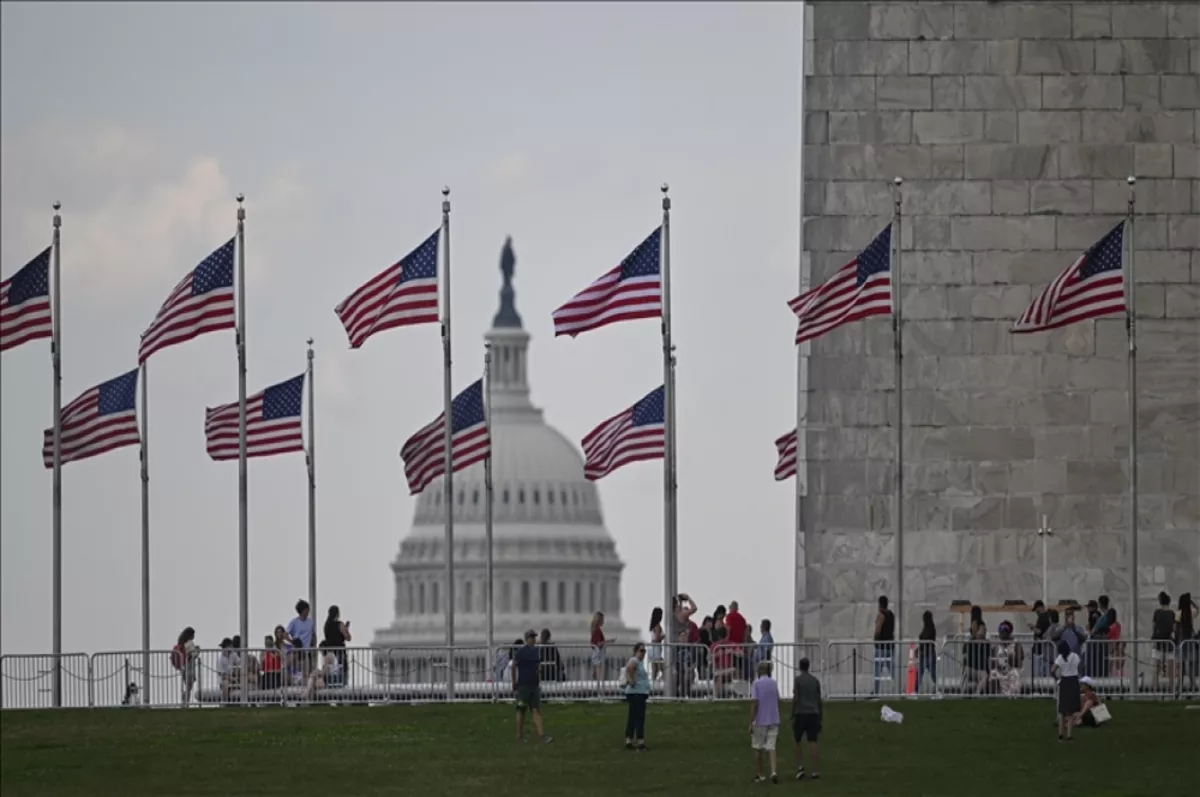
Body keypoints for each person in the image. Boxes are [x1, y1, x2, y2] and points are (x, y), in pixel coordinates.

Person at [512, 630, 552, 744]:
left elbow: (537, 666)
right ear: (526, 639)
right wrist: (514, 682)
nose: (533, 639)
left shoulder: (536, 651)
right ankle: (519, 735)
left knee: (535, 710)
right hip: (523, 685)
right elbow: (514, 666)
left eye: (534, 637)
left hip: (534, 685)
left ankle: (541, 735)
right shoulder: (521, 652)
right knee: (521, 710)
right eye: (531, 637)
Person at [748, 660, 781, 784]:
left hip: (761, 720)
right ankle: (773, 772)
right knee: (771, 747)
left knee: (758, 747)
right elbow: (778, 699)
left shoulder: (756, 684)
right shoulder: (773, 683)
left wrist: (751, 721)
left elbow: (755, 703)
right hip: (773, 718)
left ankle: (761, 774)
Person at [791, 657, 822, 781]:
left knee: (797, 741)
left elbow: (796, 697)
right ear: (809, 666)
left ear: (799, 666)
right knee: (813, 741)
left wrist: (792, 713)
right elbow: (819, 700)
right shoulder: (815, 680)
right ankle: (815, 771)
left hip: (801, 713)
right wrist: (820, 716)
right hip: (813, 713)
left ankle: (800, 768)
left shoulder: (798, 680)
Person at [622, 642, 651, 751]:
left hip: (639, 693)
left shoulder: (638, 662)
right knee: (639, 718)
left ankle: (629, 739)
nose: (643, 653)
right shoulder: (634, 660)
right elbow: (629, 669)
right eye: (641, 651)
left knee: (633, 717)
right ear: (636, 651)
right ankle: (640, 741)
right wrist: (631, 680)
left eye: (644, 651)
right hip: (636, 693)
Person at [1052, 639, 1081, 741]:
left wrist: (1057, 679)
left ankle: (1060, 733)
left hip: (1064, 681)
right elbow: (1079, 666)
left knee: (1062, 709)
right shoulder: (1075, 656)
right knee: (1071, 711)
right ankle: (1069, 734)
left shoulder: (1060, 658)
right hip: (1073, 681)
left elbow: (1052, 670)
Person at [1151, 591, 1175, 693]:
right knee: (1170, 668)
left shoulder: (1157, 612)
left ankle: (1156, 688)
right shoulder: (1172, 613)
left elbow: (1153, 626)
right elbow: (1174, 628)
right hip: (1169, 642)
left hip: (1158, 641)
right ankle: (1171, 688)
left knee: (1156, 667)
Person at [873, 595, 896, 695]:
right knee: (892, 671)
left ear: (880, 604)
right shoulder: (891, 615)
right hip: (890, 646)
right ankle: (897, 691)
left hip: (881, 647)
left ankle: (876, 692)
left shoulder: (881, 615)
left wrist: (875, 640)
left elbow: (878, 629)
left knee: (877, 671)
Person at [172, 627, 199, 706]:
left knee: (187, 686)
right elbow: (192, 654)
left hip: (182, 666)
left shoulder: (181, 642)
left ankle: (185, 700)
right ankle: (186, 702)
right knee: (189, 687)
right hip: (189, 666)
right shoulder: (189, 643)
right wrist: (197, 651)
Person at [323, 605, 351, 672]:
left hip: (329, 651)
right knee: (342, 671)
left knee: (330, 673)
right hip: (340, 651)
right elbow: (348, 638)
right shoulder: (339, 624)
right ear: (337, 613)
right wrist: (346, 629)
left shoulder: (326, 625)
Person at [589, 612, 614, 683]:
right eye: (603, 619)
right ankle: (599, 685)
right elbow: (598, 643)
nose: (604, 621)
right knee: (600, 669)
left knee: (598, 668)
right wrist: (609, 641)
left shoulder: (594, 629)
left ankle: (598, 682)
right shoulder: (597, 630)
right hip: (599, 651)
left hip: (596, 651)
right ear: (600, 620)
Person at [917, 611, 938, 693]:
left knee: (930, 672)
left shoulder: (930, 628)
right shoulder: (927, 628)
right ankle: (920, 689)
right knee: (923, 672)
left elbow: (926, 639)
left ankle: (933, 688)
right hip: (925, 653)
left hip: (928, 653)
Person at [647, 608, 665, 681]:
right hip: (656, 648)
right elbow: (657, 638)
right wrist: (664, 636)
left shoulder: (653, 625)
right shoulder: (657, 626)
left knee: (655, 669)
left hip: (653, 648)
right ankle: (657, 681)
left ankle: (653, 683)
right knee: (663, 668)